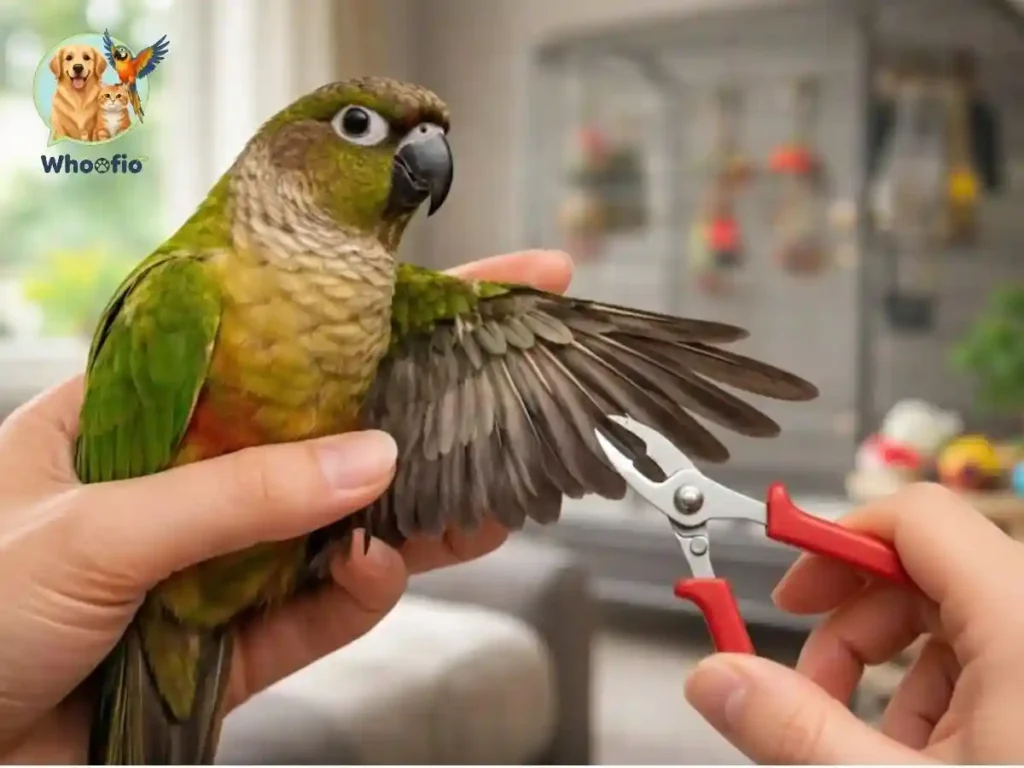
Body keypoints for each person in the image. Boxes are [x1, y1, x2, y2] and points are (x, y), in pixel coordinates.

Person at [0, 249, 1022, 765]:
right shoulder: (179, 296)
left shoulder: (409, 311)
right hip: (153, 615)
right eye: (363, 128)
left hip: (270, 578)